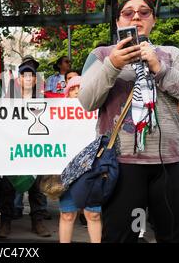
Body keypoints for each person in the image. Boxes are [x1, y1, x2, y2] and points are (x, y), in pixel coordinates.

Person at [79, 0, 179, 243]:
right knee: (119, 236)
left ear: (153, 20)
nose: (136, 16)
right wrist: (113, 66)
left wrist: (160, 68)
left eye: (144, 12)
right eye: (128, 12)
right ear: (117, 22)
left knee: (175, 236)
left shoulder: (172, 54)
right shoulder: (102, 54)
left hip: (172, 161)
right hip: (121, 162)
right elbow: (87, 101)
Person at [0, 56, 51, 239]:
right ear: (19, 79)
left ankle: (38, 222)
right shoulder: (9, 98)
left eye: (31, 75)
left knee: (37, 188)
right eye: (24, 75)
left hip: (35, 149)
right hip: (13, 148)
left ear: (35, 79)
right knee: (8, 187)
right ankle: (5, 222)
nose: (28, 78)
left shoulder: (44, 98)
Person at [59, 75, 102, 243]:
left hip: (92, 169)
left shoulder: (98, 111)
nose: (77, 92)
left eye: (80, 89)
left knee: (93, 214)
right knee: (67, 214)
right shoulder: (56, 116)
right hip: (67, 170)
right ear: (67, 93)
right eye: (73, 89)